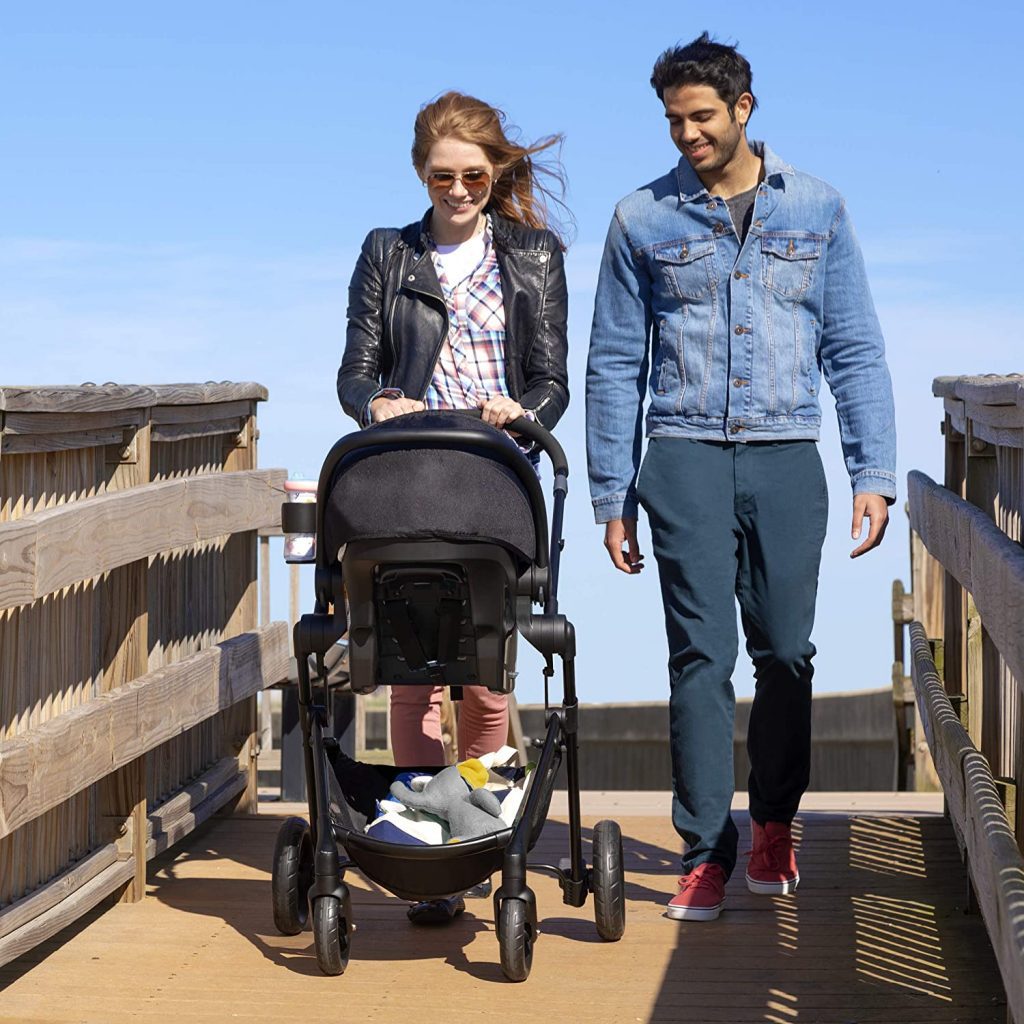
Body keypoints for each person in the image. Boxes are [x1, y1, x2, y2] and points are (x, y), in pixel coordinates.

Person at [585, 33, 896, 922]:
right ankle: (703, 852)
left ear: (744, 109)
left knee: (787, 651)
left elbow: (856, 350)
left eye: (702, 117)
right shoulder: (639, 220)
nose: (686, 134)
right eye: (674, 120)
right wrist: (614, 495)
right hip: (680, 456)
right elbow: (614, 363)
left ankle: (772, 826)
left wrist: (870, 470)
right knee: (699, 656)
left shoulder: (820, 210)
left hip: (788, 453)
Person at [338, 90, 569, 921]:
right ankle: (418, 843)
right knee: (408, 671)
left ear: (496, 170)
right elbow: (355, 368)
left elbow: (550, 379)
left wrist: (525, 412)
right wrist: (376, 403)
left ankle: (471, 833)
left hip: (491, 471)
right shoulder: (386, 252)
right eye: (443, 177)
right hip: (407, 470)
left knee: (484, 675)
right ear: (420, 174)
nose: (460, 191)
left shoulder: (534, 256)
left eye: (474, 175)